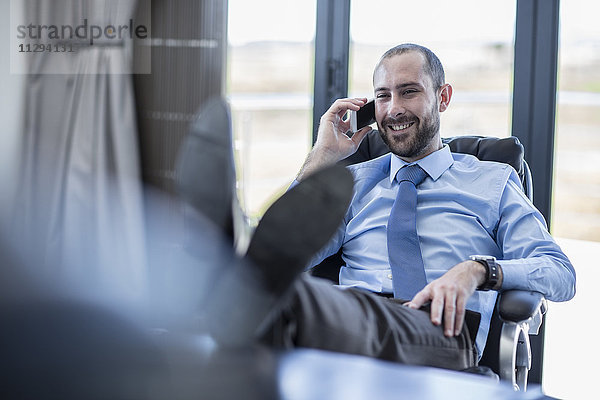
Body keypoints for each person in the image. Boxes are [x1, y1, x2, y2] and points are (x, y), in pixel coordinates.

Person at [180, 43, 576, 371]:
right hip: (346, 320)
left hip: (442, 329)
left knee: (275, 297)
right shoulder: (350, 183)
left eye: (409, 91)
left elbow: (560, 273)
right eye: (383, 96)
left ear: (443, 97)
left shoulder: (493, 179)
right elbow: (292, 256)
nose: (394, 109)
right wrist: (321, 158)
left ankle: (225, 271)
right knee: (274, 295)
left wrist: (478, 270)